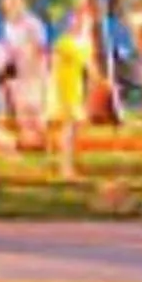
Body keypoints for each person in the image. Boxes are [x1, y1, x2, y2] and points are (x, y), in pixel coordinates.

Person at [0, 0, 51, 152]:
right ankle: (28, 141)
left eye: (14, 4)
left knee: (35, 107)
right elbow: (9, 47)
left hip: (34, 71)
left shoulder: (33, 24)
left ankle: (41, 141)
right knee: (21, 108)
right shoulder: (8, 25)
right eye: (8, 5)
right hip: (18, 72)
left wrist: (38, 66)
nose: (11, 8)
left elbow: (41, 47)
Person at [48, 14, 93, 181]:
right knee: (67, 130)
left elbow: (88, 67)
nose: (79, 25)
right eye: (77, 22)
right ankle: (65, 168)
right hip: (64, 90)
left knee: (74, 131)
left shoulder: (85, 45)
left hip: (77, 90)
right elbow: (55, 65)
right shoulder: (63, 43)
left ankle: (70, 166)